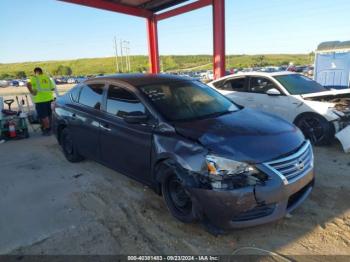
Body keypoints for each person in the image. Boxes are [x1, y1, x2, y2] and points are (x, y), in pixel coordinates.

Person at [27, 67, 56, 135]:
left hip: (40, 101)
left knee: (43, 116)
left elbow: (28, 84)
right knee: (50, 115)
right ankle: (51, 128)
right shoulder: (47, 77)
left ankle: (47, 129)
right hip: (50, 99)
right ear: (41, 71)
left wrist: (32, 91)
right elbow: (52, 88)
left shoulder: (33, 78)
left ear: (35, 72)